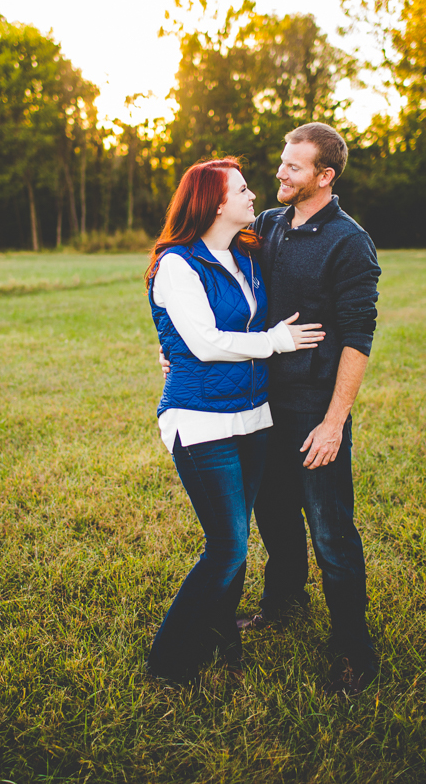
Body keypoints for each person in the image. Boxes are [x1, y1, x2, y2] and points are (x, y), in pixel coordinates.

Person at [144, 156, 322, 683]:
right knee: (225, 546)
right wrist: (274, 342)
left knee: (238, 543)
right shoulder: (178, 264)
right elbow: (202, 341)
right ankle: (169, 661)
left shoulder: (245, 257)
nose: (253, 196)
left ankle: (223, 643)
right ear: (214, 203)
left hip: (253, 419)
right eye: (242, 190)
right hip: (200, 422)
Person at [240, 122, 381, 697]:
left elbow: (358, 335)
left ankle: (353, 647)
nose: (280, 173)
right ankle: (283, 603)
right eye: (282, 162)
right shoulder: (269, 224)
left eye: (293, 167)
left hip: (313, 409)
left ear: (324, 176)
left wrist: (333, 421)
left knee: (331, 531)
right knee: (272, 513)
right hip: (259, 402)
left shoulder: (349, 242)